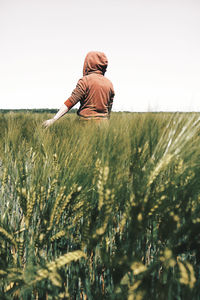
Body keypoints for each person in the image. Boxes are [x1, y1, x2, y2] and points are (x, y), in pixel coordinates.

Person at [43, 51, 115, 128]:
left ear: (89, 64)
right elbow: (109, 108)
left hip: (86, 125)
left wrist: (54, 119)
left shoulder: (85, 81)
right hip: (104, 126)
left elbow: (71, 102)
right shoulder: (109, 83)